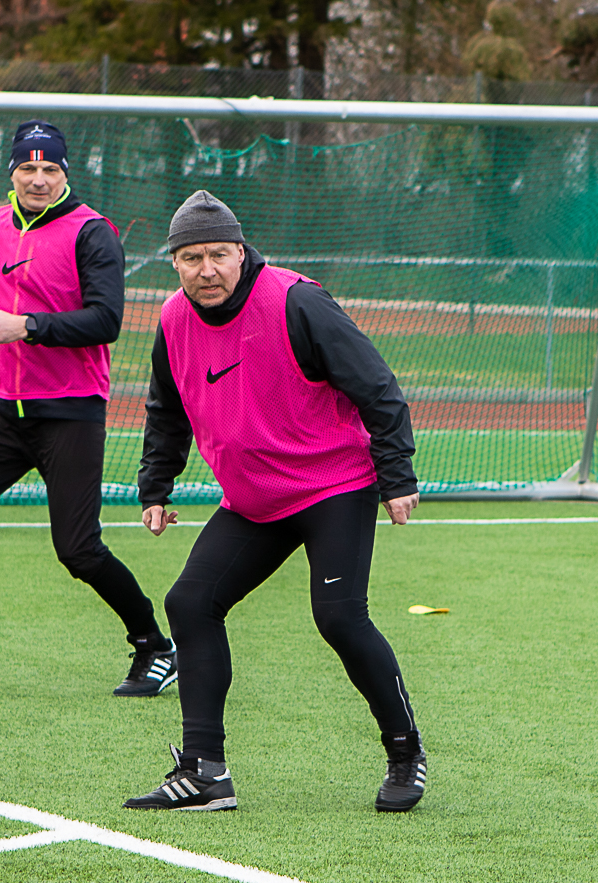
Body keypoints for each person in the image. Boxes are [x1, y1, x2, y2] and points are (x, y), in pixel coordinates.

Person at [123, 191, 427, 814]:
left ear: (240, 252)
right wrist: (156, 484)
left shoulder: (296, 300)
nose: (206, 269)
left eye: (218, 254)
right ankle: (205, 772)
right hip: (255, 499)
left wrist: (396, 476)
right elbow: (166, 407)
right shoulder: (174, 319)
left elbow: (378, 387)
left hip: (332, 485)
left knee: (339, 617)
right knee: (190, 602)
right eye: (190, 257)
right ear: (173, 264)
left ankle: (405, 753)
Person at [0, 120, 177, 698]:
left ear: (65, 173)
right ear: (12, 172)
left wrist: (25, 327)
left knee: (78, 550)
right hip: (0, 412)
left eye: (50, 169)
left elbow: (107, 321)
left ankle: (155, 645)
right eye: (28, 168)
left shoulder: (92, 233)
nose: (39, 179)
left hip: (69, 412)